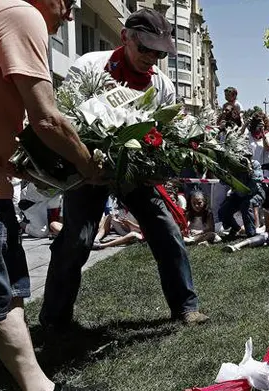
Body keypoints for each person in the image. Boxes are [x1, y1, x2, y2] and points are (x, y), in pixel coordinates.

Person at [40, 9, 209, 327]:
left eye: (159, 52)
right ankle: (55, 319)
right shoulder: (90, 65)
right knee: (76, 238)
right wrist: (86, 160)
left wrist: (164, 162)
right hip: (89, 169)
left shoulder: (162, 85)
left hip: (137, 173)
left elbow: (167, 135)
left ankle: (187, 307)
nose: (152, 58)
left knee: (167, 232)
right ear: (125, 37)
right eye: (145, 48)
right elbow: (68, 115)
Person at [0, 0, 102, 391]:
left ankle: (39, 387)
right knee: (0, 295)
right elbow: (46, 119)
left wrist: (8, 162)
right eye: (67, 2)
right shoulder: (18, 14)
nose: (69, 14)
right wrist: (89, 167)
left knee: (5, 288)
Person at [247, 112, 269, 179]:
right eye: (257, 122)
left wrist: (263, 133)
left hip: (265, 170)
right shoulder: (249, 135)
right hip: (252, 169)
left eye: (261, 122)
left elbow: (267, 147)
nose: (259, 124)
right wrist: (245, 125)